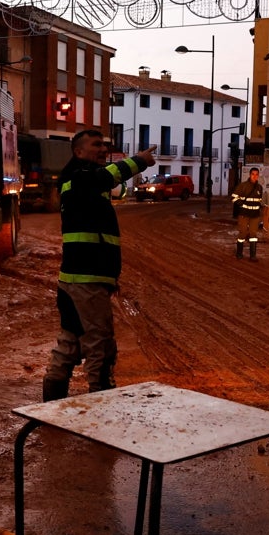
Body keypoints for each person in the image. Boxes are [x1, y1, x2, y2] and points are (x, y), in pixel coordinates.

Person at [41, 130, 156, 402]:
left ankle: (51, 409)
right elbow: (105, 178)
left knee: (70, 342)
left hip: (78, 279)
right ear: (78, 152)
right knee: (100, 345)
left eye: (104, 144)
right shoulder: (79, 178)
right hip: (86, 280)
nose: (103, 149)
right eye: (96, 145)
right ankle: (102, 406)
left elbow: (108, 183)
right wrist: (138, 161)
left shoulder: (82, 180)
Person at [231, 167, 264, 260]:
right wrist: (241, 204)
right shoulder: (243, 186)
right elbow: (233, 197)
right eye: (253, 174)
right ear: (250, 175)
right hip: (244, 214)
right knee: (243, 234)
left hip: (255, 215)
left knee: (253, 234)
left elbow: (259, 200)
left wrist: (261, 207)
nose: (254, 176)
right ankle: (239, 253)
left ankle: (253, 256)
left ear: (258, 176)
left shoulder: (260, 188)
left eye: (256, 174)